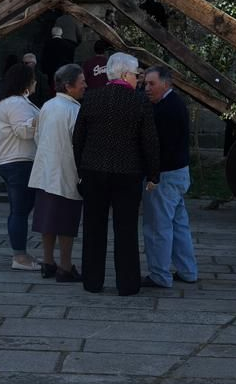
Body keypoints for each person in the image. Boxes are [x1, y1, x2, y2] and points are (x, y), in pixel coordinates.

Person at [72, 52, 160, 296]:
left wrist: (80, 168)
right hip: (127, 173)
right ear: (124, 74)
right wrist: (153, 173)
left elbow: (78, 138)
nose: (138, 79)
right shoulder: (139, 102)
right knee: (126, 229)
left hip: (93, 171)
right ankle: (128, 283)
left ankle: (92, 281)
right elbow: (149, 142)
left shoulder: (91, 98)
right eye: (135, 74)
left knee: (93, 227)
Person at [141, 65, 199, 289]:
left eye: (151, 84)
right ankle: (187, 270)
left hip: (164, 175)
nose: (147, 88)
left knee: (158, 227)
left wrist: (151, 176)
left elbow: (158, 147)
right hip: (178, 172)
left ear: (166, 83)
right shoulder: (173, 104)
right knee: (178, 224)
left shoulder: (166, 109)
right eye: (145, 83)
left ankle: (159, 275)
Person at [29, 63, 87, 281]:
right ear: (69, 85)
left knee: (47, 220)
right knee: (66, 222)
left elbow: (37, 135)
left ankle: (48, 261)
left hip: (45, 170)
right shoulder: (75, 111)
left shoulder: (47, 106)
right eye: (81, 82)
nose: (85, 85)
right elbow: (79, 145)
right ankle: (65, 264)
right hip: (66, 172)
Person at [0, 62, 40, 271]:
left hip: (14, 160)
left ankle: (20, 253)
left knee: (19, 209)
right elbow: (23, 131)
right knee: (19, 211)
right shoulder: (16, 104)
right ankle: (19, 255)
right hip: (18, 161)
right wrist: (43, 117)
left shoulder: (12, 102)